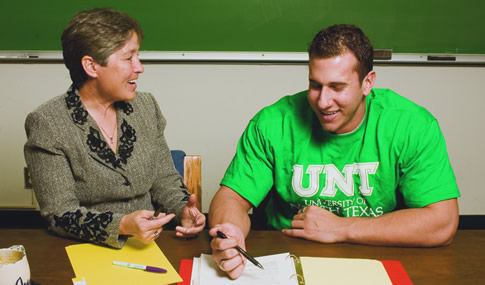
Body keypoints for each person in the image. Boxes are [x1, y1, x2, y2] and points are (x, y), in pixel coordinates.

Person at [208, 24, 460, 279]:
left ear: (367, 83)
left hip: (376, 258)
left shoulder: (411, 125)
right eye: (315, 85)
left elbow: (443, 223)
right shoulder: (273, 122)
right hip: (286, 260)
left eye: (337, 87)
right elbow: (229, 199)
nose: (323, 101)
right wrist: (229, 231)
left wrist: (342, 228)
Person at [24, 8, 205, 249]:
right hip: (85, 249)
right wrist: (122, 225)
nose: (139, 67)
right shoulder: (47, 123)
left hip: (150, 247)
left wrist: (183, 210)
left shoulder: (146, 106)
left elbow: (163, 178)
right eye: (129, 58)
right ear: (91, 66)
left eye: (137, 56)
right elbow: (59, 214)